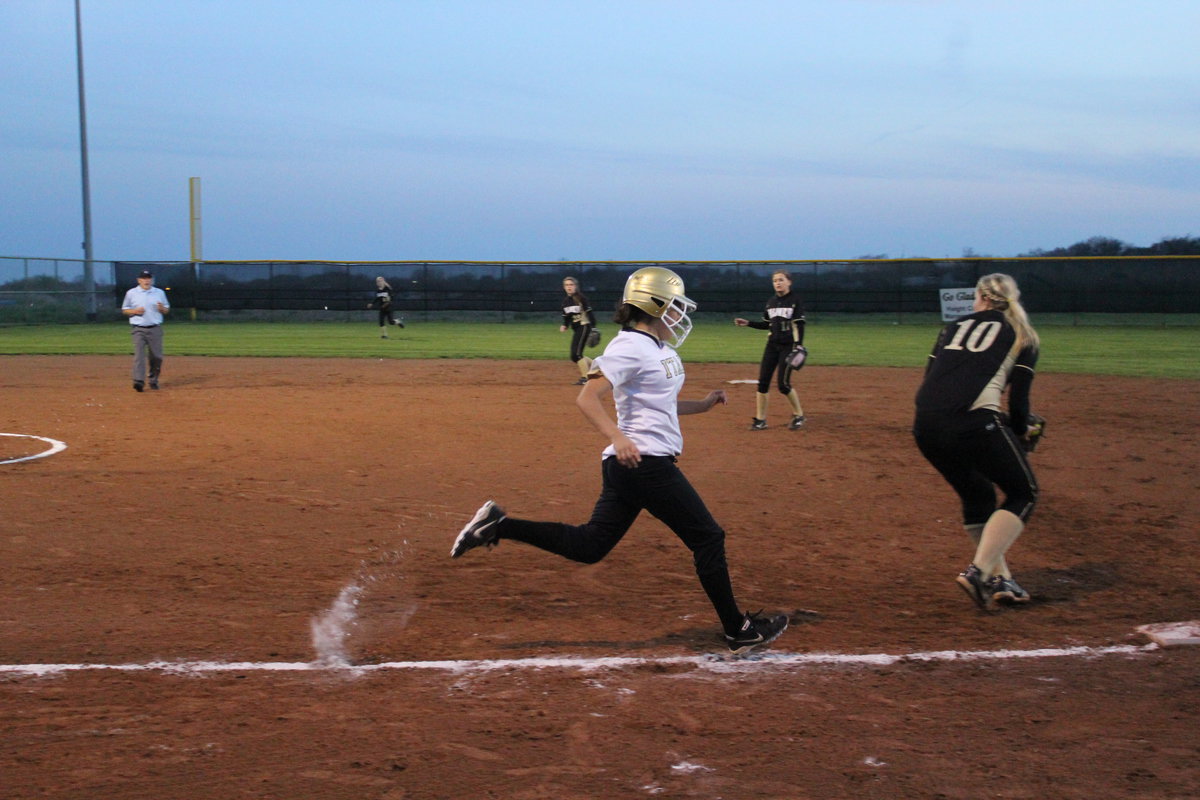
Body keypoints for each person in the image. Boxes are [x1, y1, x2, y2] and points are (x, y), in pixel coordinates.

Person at [451, 267, 789, 655]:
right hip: (644, 462)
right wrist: (618, 437)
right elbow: (587, 397)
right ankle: (739, 629)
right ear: (654, 305)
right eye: (675, 306)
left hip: (633, 466)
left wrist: (704, 405)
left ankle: (498, 525)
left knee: (589, 545)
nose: (681, 315)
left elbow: (659, 405)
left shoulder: (660, 349)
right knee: (707, 536)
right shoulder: (628, 346)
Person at [913, 273, 1041, 611]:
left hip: (925, 425)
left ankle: (1001, 578)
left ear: (980, 298)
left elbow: (932, 380)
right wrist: (1021, 429)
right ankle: (978, 572)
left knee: (978, 494)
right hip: (972, 423)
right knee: (1023, 492)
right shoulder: (1024, 335)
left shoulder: (952, 328)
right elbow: (1018, 404)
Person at [734, 269, 807, 430]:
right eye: (775, 281)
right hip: (772, 346)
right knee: (763, 383)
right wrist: (748, 323)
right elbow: (767, 324)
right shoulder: (771, 302)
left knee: (783, 384)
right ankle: (760, 420)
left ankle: (799, 415)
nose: (778, 283)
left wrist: (798, 345)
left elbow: (799, 324)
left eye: (781, 280)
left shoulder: (795, 300)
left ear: (789, 282)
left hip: (788, 346)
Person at [121, 269, 170, 392]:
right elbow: (124, 309)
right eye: (144, 278)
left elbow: (166, 310)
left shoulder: (159, 293)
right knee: (139, 356)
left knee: (157, 357)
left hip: (155, 328)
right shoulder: (131, 293)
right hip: (138, 329)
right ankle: (139, 381)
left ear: (152, 280)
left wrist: (162, 308)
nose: (146, 280)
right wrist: (134, 311)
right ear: (139, 280)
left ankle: (153, 380)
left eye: (148, 278)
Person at [559, 276, 596, 385]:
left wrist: (594, 328)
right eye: (566, 285)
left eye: (571, 285)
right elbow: (566, 317)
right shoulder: (565, 302)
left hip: (584, 326)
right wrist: (564, 325)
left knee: (576, 354)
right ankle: (598, 366)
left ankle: (585, 378)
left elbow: (590, 314)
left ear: (576, 286)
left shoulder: (581, 299)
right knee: (575, 355)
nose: (569, 287)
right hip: (576, 328)